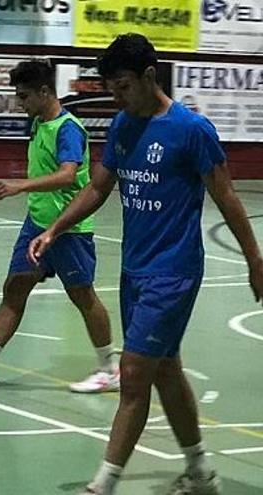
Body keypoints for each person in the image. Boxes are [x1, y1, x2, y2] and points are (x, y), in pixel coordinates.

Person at [28, 34, 263, 494]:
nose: (117, 97)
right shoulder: (123, 125)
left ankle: (103, 484)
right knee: (167, 370)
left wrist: (255, 260)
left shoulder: (192, 130)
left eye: (123, 86)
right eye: (111, 88)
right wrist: (54, 229)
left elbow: (228, 197)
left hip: (173, 272)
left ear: (149, 76)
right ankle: (201, 474)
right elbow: (97, 188)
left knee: (133, 375)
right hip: (134, 270)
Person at [0, 59, 119, 393]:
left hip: (68, 229)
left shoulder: (68, 129)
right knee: (15, 288)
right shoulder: (38, 123)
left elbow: (67, 174)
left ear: (45, 92)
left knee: (83, 296)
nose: (20, 103)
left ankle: (109, 368)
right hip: (36, 224)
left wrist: (20, 186)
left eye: (24, 97)